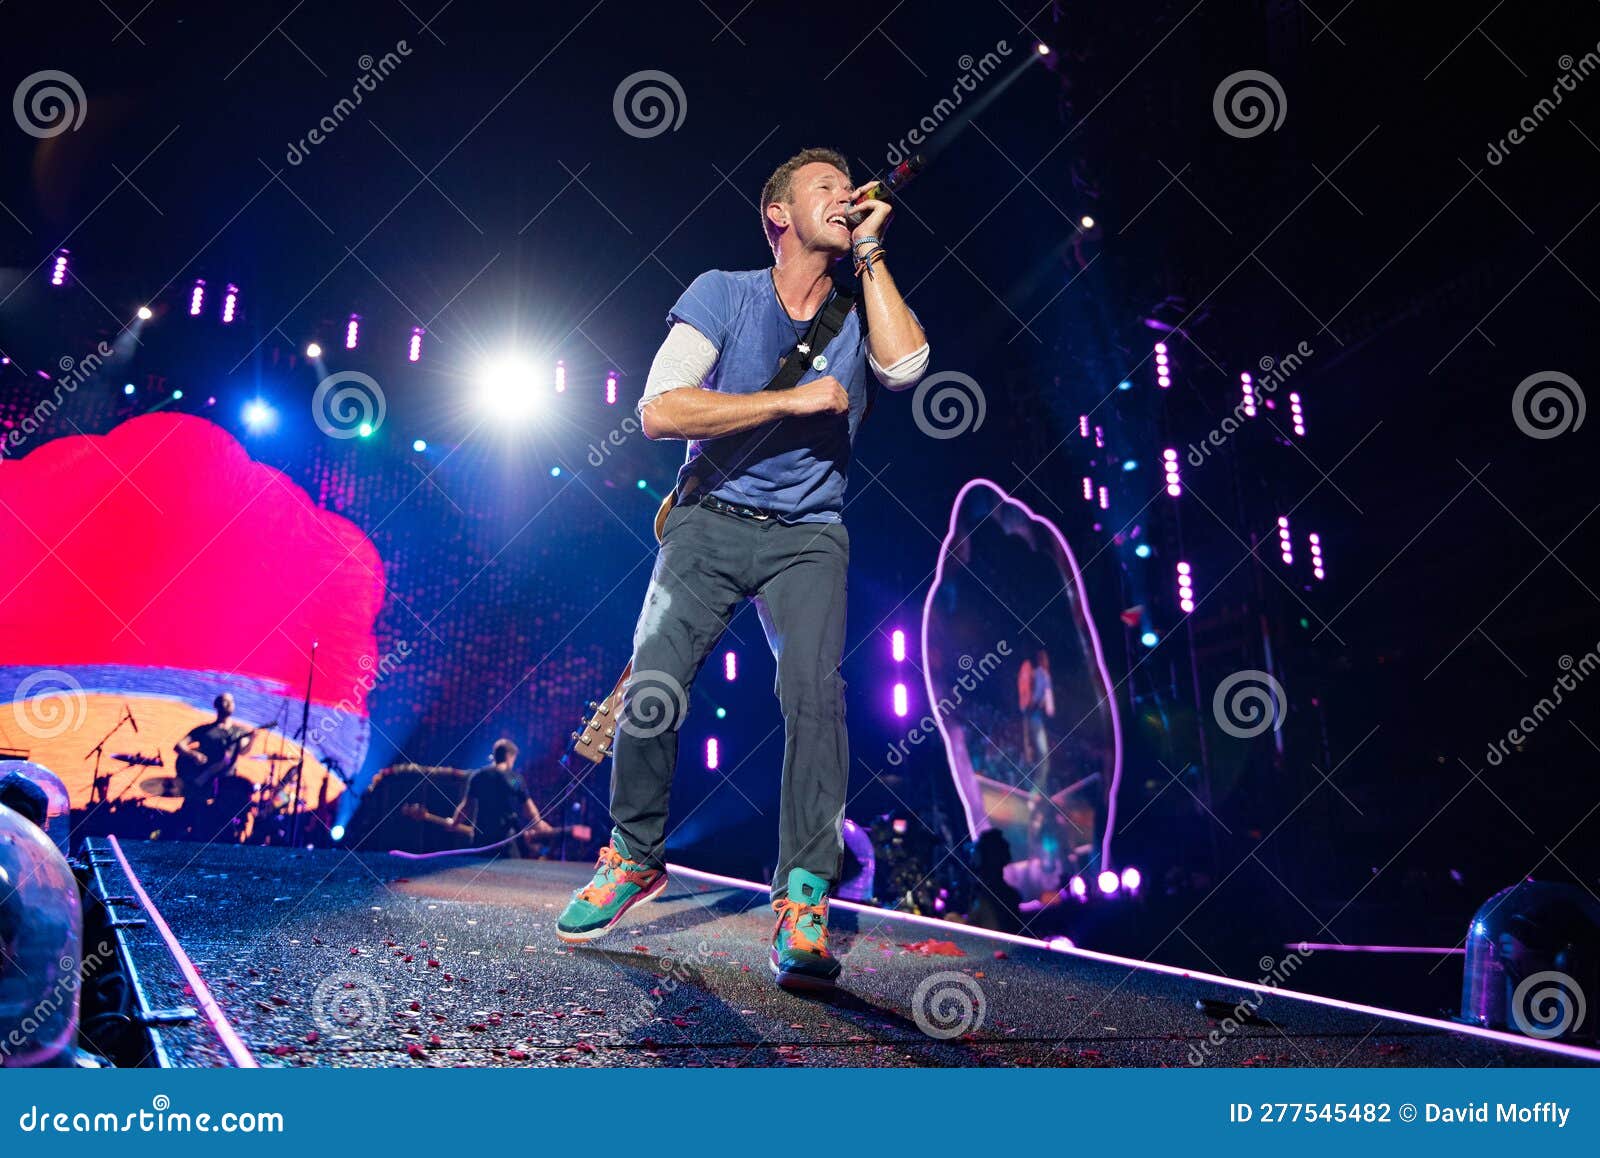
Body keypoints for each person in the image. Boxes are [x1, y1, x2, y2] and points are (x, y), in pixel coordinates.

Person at [556, 147, 930, 991]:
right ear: (778, 215)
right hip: (709, 520)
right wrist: (790, 399)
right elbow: (661, 410)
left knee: (814, 695)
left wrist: (872, 252)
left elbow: (907, 368)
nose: (844, 195)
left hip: (809, 534)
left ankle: (803, 900)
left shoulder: (861, 303)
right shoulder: (723, 293)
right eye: (824, 187)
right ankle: (633, 855)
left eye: (848, 187)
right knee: (655, 680)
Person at [403, 739, 589, 856]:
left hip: (481, 837)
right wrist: (539, 824)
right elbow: (529, 808)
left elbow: (466, 806)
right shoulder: (514, 779)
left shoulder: (479, 776)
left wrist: (455, 822)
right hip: (505, 839)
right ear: (509, 756)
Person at [1020, 649, 1054, 793]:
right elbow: (1049, 708)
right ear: (1043, 661)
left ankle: (1041, 791)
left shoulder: (1033, 673)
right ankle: (1034, 793)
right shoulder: (1044, 675)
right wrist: (1047, 704)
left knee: (1034, 756)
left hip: (1029, 717)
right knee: (1044, 758)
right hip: (1036, 719)